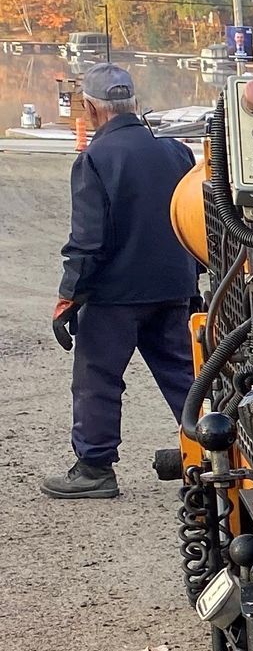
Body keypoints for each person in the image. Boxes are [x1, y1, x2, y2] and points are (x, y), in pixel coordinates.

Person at [43, 63, 197, 500]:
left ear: (91, 109)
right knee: (186, 376)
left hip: (115, 296)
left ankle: (94, 468)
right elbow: (195, 220)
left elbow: (89, 240)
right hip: (174, 288)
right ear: (133, 104)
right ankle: (216, 456)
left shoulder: (94, 159)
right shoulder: (176, 153)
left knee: (97, 378)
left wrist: (69, 295)